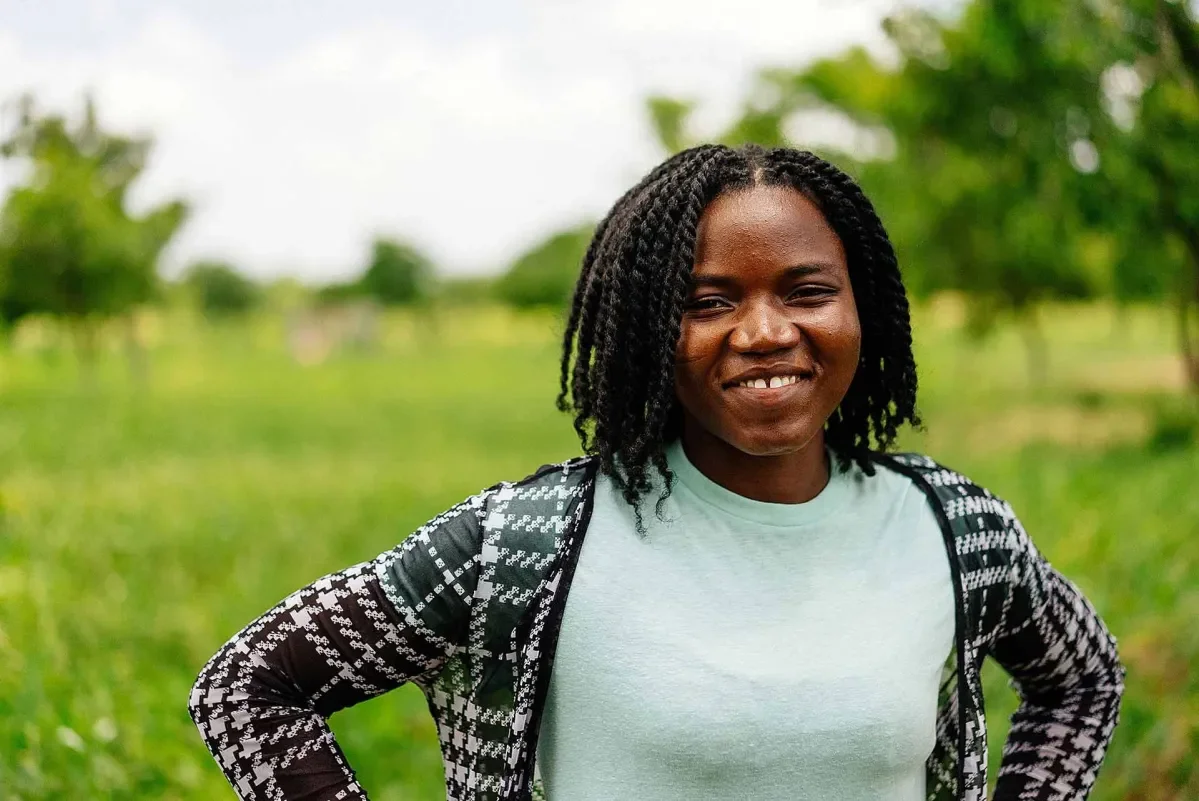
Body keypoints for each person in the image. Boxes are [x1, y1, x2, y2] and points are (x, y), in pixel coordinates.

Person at [188, 144, 1125, 801]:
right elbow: (247, 689)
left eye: (805, 291)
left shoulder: (954, 531)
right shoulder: (527, 542)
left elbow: (1081, 682)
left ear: (862, 308)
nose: (764, 332)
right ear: (644, 331)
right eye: (708, 301)